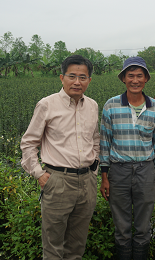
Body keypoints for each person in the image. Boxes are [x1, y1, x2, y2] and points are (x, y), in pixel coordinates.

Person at [20, 54, 100, 260]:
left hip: (87, 182)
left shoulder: (92, 105)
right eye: (71, 76)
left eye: (83, 77)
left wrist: (96, 168)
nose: (77, 82)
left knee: (77, 245)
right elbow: (28, 143)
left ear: (89, 80)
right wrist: (39, 174)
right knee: (53, 246)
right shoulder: (47, 105)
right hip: (58, 181)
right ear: (61, 78)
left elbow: (96, 140)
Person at [99, 57, 155, 260]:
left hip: (146, 170)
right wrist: (104, 176)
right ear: (123, 79)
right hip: (119, 170)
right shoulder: (111, 106)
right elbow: (105, 143)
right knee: (122, 225)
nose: (135, 80)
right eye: (130, 76)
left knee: (143, 225)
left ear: (146, 79)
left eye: (139, 76)